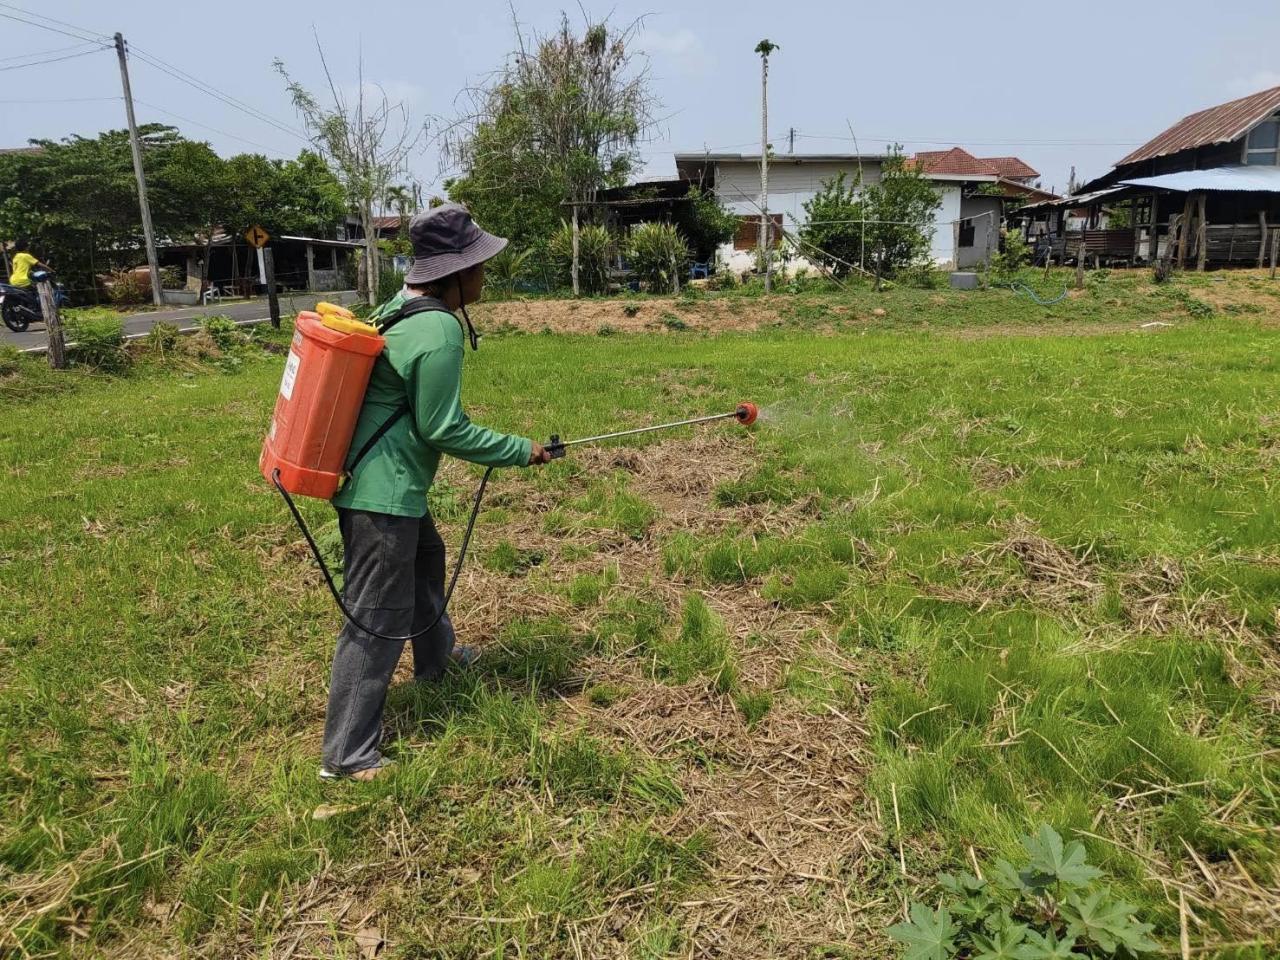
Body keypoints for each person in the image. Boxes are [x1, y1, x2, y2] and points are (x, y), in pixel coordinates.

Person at [321, 204, 551, 782]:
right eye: (479, 265)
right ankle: (347, 757)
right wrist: (519, 450)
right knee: (376, 616)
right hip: (384, 494)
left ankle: (436, 661)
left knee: (427, 560)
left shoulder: (399, 306)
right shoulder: (440, 328)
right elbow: (441, 427)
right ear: (456, 272)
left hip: (380, 482)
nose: (484, 275)